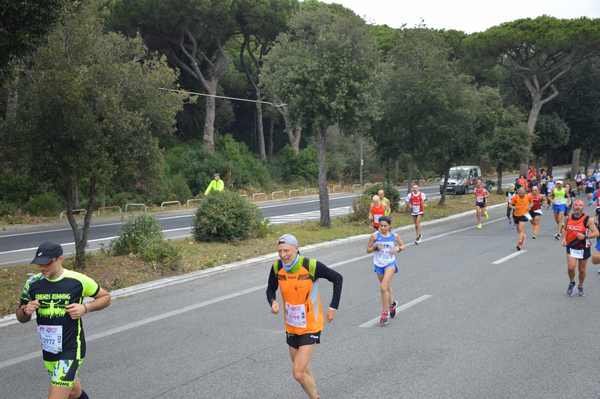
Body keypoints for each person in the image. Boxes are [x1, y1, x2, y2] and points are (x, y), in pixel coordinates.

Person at [16, 242, 111, 399]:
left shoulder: (78, 280)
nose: (42, 267)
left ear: (60, 259)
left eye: (47, 263)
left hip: (71, 349)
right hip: (49, 349)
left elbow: (106, 297)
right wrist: (26, 311)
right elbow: (20, 316)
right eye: (39, 264)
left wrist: (85, 308)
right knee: (74, 392)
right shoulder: (32, 283)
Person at [266, 234, 343, 399]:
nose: (283, 254)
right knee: (303, 371)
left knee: (298, 373)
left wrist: (333, 307)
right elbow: (270, 288)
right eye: (279, 251)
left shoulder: (311, 266)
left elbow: (338, 279)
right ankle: (314, 396)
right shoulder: (276, 267)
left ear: (296, 248)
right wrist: (272, 302)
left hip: (311, 325)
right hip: (292, 326)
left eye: (286, 250)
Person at [366, 216, 406, 326]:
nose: (383, 228)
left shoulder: (394, 236)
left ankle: (384, 314)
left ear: (390, 226)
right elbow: (367, 250)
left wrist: (397, 249)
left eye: (385, 226)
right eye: (381, 226)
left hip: (390, 264)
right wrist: (374, 247)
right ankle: (392, 304)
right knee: (386, 288)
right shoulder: (374, 236)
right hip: (378, 264)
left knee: (383, 287)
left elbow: (403, 245)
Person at [562, 200, 599, 296]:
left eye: (580, 205)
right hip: (571, 246)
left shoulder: (588, 219)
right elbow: (564, 229)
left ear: (583, 207)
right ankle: (572, 282)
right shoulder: (568, 218)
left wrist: (585, 236)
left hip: (583, 247)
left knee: (582, 270)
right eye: (576, 205)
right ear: (573, 207)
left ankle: (580, 285)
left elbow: (596, 233)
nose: (577, 207)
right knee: (571, 267)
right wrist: (564, 239)